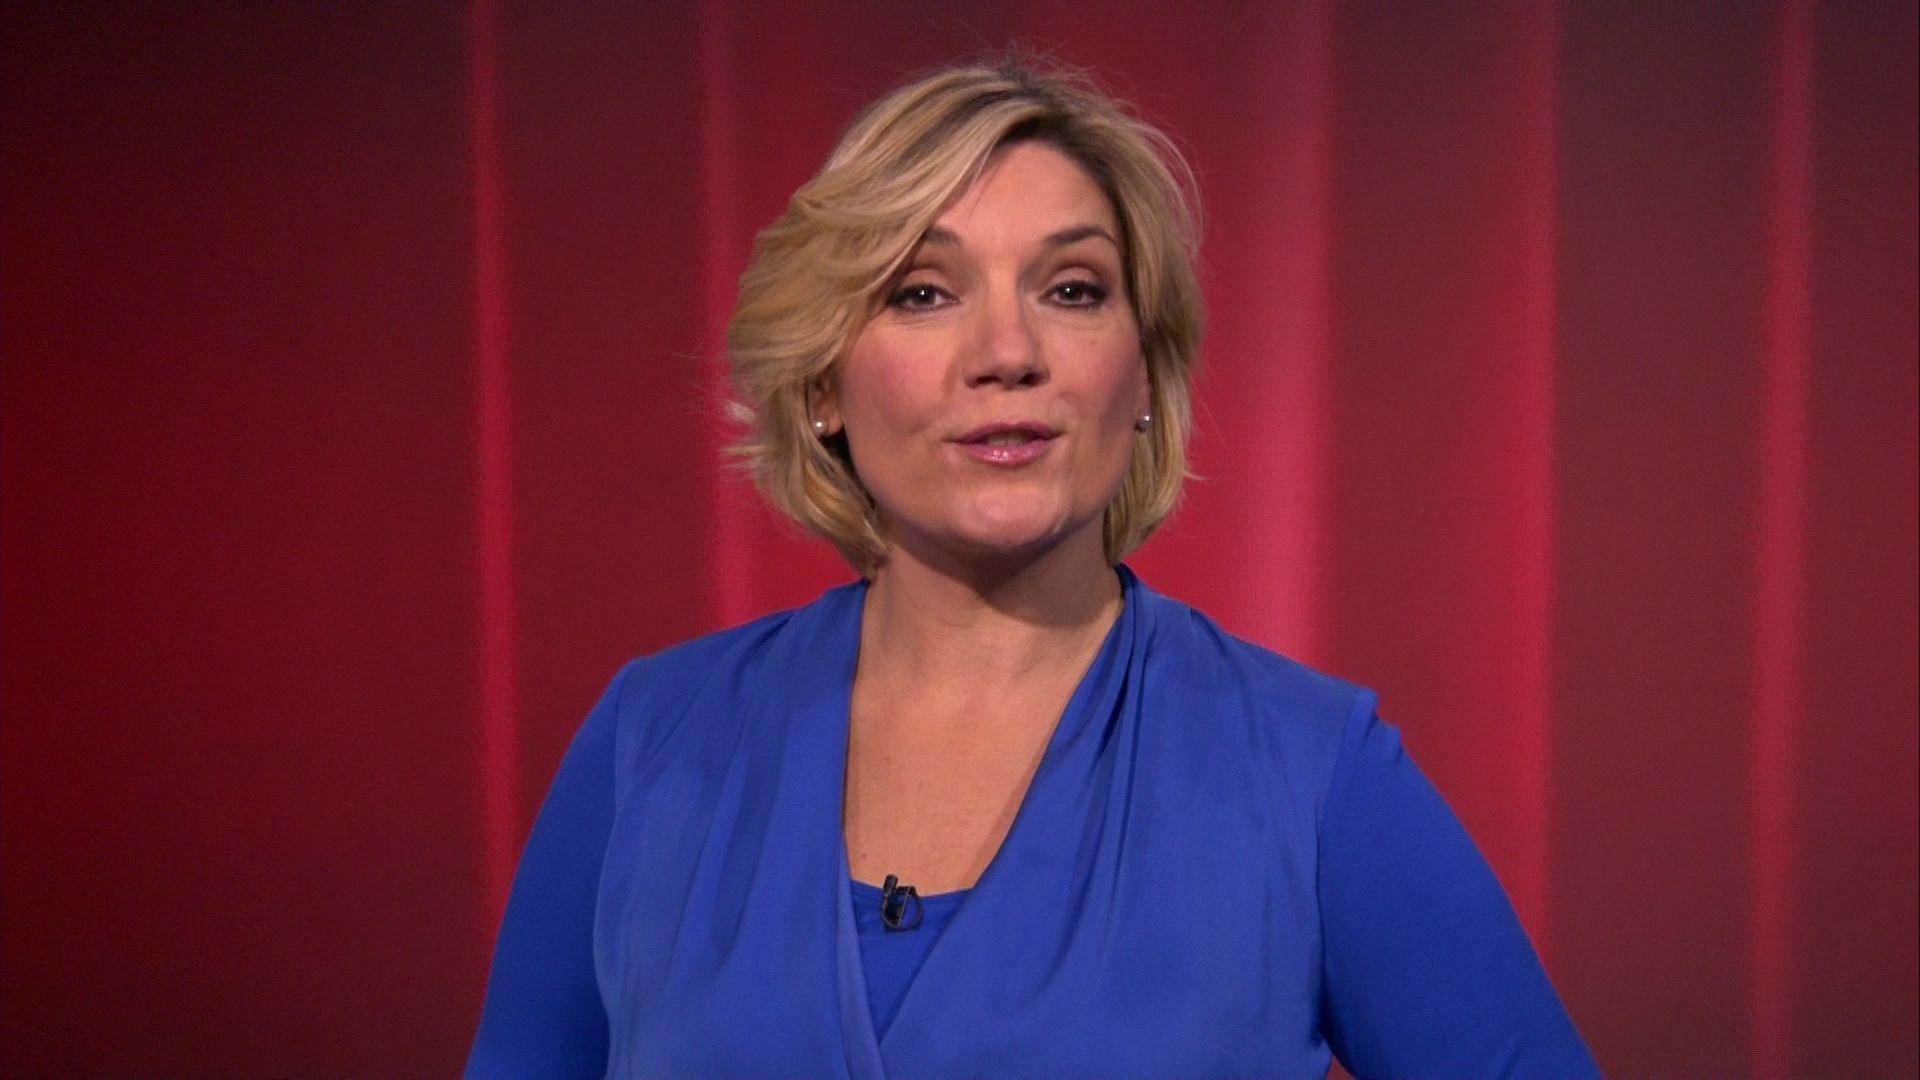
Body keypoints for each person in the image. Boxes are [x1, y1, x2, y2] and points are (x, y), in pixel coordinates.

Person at [465, 60, 1599, 1079]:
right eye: (923, 293)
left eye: (1072, 290)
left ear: (1144, 374)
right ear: (820, 388)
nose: (1008, 354)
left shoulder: (1313, 776)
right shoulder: (649, 745)